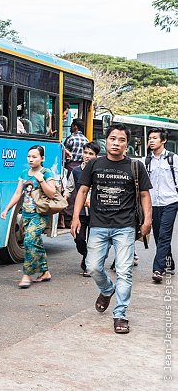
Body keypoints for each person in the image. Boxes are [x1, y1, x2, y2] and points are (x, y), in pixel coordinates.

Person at [71, 123, 152, 334]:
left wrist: (147, 221)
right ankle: (107, 289)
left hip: (125, 227)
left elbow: (144, 195)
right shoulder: (94, 165)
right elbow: (82, 191)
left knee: (124, 272)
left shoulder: (135, 166)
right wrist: (75, 217)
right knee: (92, 267)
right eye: (113, 138)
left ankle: (120, 315)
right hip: (98, 225)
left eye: (121, 140)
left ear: (127, 144)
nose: (116, 143)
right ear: (105, 141)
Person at [1, 145, 56, 288]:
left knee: (29, 240)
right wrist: (7, 209)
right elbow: (18, 194)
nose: (31, 159)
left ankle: (26, 275)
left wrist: (42, 180)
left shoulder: (47, 173)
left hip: (40, 214)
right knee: (35, 242)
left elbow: (52, 193)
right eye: (29, 156)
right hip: (26, 214)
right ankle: (45, 272)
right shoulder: (24, 173)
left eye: (34, 157)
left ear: (42, 158)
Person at [146, 127, 178, 282]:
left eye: (154, 138)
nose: (151, 140)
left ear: (163, 140)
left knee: (164, 235)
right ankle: (169, 262)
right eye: (150, 138)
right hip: (153, 203)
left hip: (170, 202)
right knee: (159, 235)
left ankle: (158, 270)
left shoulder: (173, 158)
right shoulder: (147, 160)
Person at [64, 141, 100, 277]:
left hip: (96, 213)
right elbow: (69, 188)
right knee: (79, 239)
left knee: (93, 240)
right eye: (85, 153)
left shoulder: (99, 171)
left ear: (96, 156)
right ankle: (86, 255)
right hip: (80, 213)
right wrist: (63, 199)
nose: (87, 156)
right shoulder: (77, 171)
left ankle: (87, 264)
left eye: (91, 154)